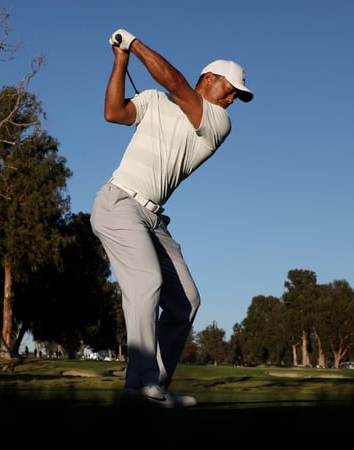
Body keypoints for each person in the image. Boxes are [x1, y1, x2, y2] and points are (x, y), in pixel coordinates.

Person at [89, 29, 253, 408]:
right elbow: (113, 113)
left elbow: (178, 85)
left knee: (185, 302)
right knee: (146, 280)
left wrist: (135, 44)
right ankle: (140, 385)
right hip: (118, 204)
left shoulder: (217, 122)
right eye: (231, 90)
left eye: (237, 97)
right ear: (209, 78)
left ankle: (153, 387)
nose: (233, 99)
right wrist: (121, 61)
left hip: (152, 218)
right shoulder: (153, 101)